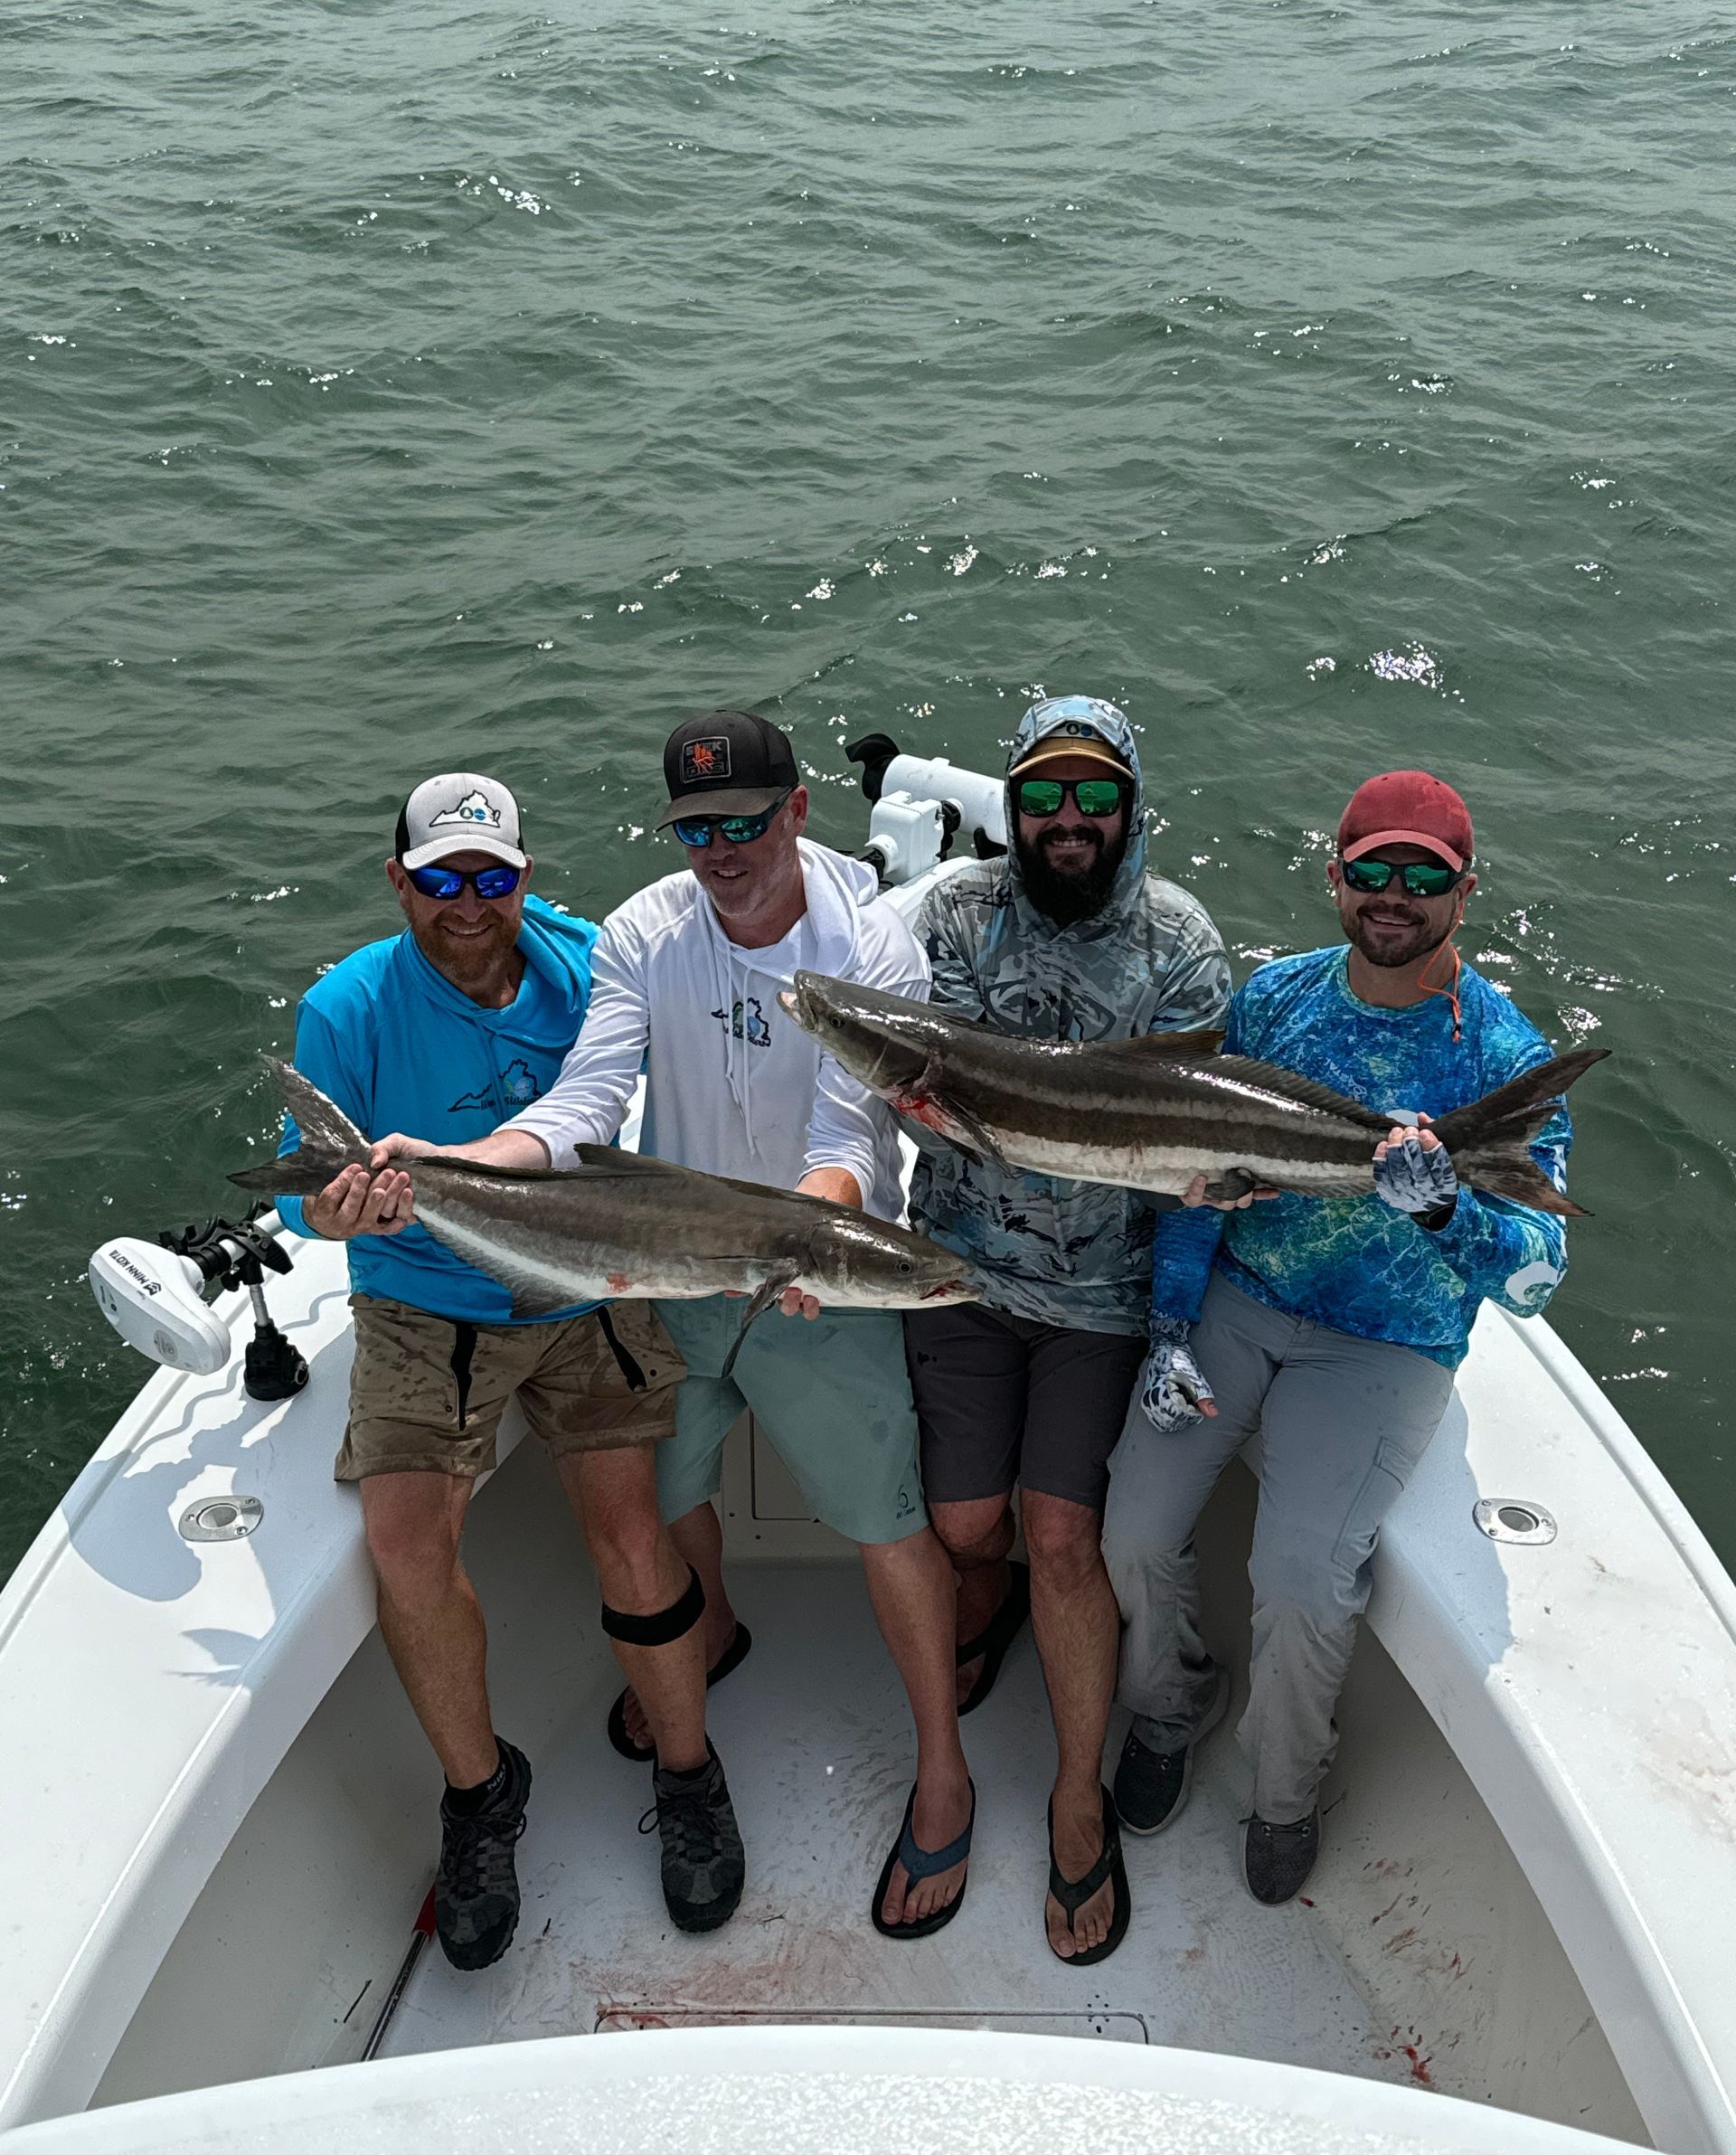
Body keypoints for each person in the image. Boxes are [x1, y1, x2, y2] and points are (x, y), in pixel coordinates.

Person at [371, 714, 976, 1940]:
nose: (721, 851)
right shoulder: (647, 930)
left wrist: (814, 1232)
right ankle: (719, 1628)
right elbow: (591, 1095)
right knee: (667, 1494)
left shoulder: (872, 943)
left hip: (819, 1275)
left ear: (797, 809)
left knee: (890, 1525)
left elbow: (850, 1129)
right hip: (667, 1270)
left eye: (744, 821)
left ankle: (944, 1768)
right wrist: (454, 1166)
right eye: (697, 830)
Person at [276, 771, 740, 1972]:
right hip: (423, 1297)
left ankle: (688, 1770)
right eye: (442, 879)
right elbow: (307, 1199)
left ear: (525, 878)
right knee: (405, 1542)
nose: (468, 902)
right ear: (400, 882)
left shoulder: (592, 965)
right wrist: (342, 1212)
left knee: (631, 1529)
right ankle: (480, 1797)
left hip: (586, 1279)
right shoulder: (346, 1008)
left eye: (491, 877)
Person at [1102, 769, 1582, 1905]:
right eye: (1373, 869)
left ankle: (1285, 1791)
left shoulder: (1504, 1057)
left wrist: (1447, 1209)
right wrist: (1170, 1325)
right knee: (1131, 1528)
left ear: (1465, 890)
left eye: (1423, 874)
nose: (1394, 893)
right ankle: (1171, 1704)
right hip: (1239, 1302)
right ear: (1335, 877)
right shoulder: (1274, 1000)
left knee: (1303, 1578)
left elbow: (1537, 1276)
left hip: (1388, 1342)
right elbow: (1203, 1177)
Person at [900, 696, 1231, 1963]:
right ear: (1014, 806)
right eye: (1043, 795)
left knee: (1061, 1534)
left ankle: (1075, 1793)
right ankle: (985, 1606)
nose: (1069, 818)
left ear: (1132, 805)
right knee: (961, 1527)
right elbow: (925, 1058)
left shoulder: (1180, 940)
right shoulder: (952, 913)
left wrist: (1183, 1296)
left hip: (1105, 1294)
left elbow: (1196, 1128)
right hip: (960, 1272)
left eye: (1096, 794)